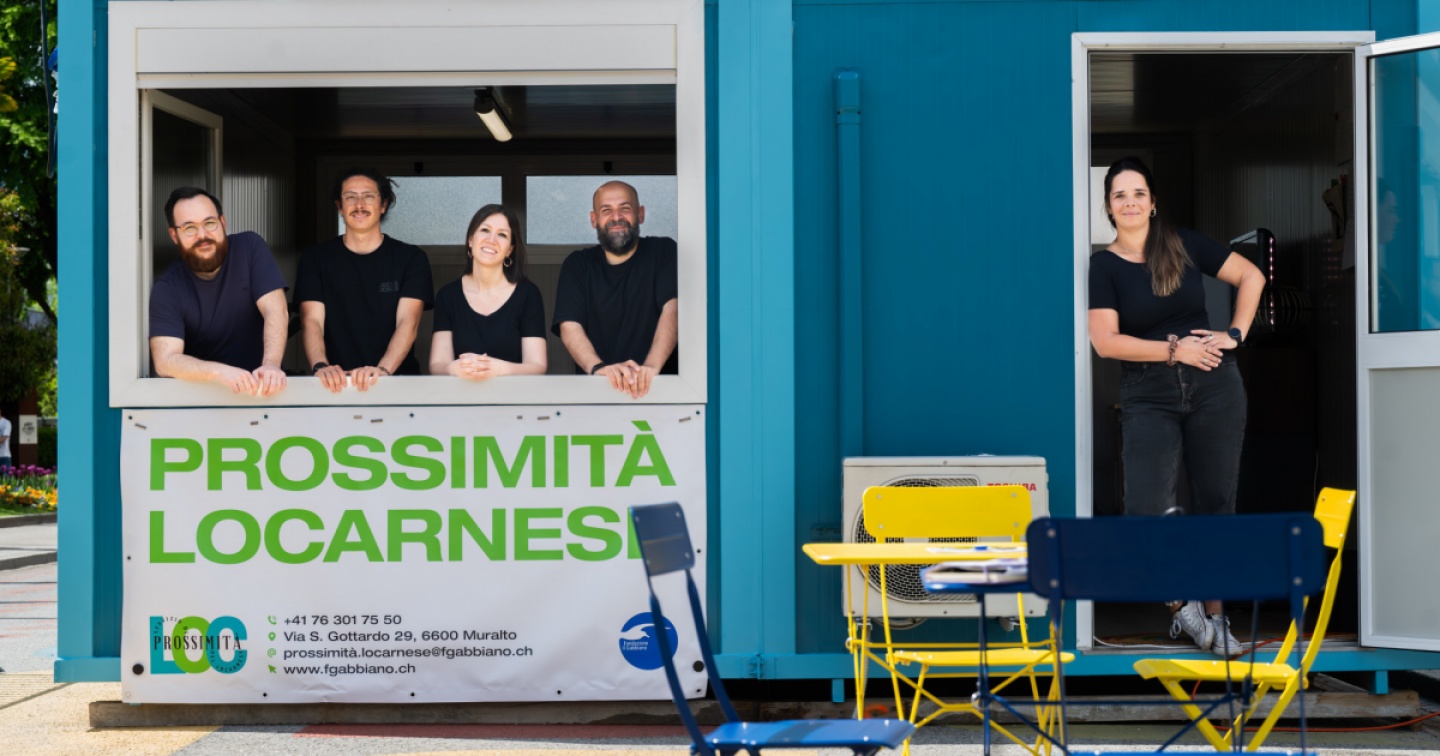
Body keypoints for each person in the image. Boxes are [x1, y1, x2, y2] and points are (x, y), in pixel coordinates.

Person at [1087, 156, 1265, 656]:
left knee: (1216, 503)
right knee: (1146, 508)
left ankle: (1217, 617)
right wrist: (1173, 350)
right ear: (1108, 207)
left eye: (1138, 194)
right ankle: (1180, 606)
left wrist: (1235, 334)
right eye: (1120, 196)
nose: (1130, 203)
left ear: (1152, 202)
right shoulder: (1103, 267)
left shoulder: (1183, 244)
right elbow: (1106, 342)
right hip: (1148, 392)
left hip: (1215, 385)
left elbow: (1252, 276)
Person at [295, 169, 434, 392]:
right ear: (340, 206)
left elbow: (408, 322)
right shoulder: (315, 259)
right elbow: (312, 320)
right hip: (335, 385)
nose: (359, 205)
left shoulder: (411, 258)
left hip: (397, 385)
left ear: (383, 205)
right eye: (350, 197)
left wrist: (382, 372)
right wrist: (321, 366)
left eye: (368, 196)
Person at [148, 187, 289, 397]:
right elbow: (165, 361)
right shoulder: (167, 289)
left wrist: (271, 365)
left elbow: (276, 310)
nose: (202, 235)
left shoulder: (249, 248)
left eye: (209, 223)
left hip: (265, 393)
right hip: (204, 401)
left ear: (222, 222)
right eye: (189, 228)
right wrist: (219, 372)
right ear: (174, 235)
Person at [551, 180, 678, 399]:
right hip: (595, 395)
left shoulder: (663, 252)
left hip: (659, 392)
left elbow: (673, 310)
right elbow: (569, 326)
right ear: (594, 219)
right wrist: (598, 369)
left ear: (640, 214)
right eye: (606, 210)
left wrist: (649, 369)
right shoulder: (577, 265)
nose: (616, 217)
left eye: (625, 208)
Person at [430, 204, 547, 379]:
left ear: (510, 249)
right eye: (485, 230)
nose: (491, 240)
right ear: (471, 240)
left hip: (512, 394)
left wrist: (501, 369)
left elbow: (537, 365)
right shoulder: (448, 295)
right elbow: (437, 364)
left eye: (502, 234)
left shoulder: (528, 294)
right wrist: (453, 368)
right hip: (460, 393)